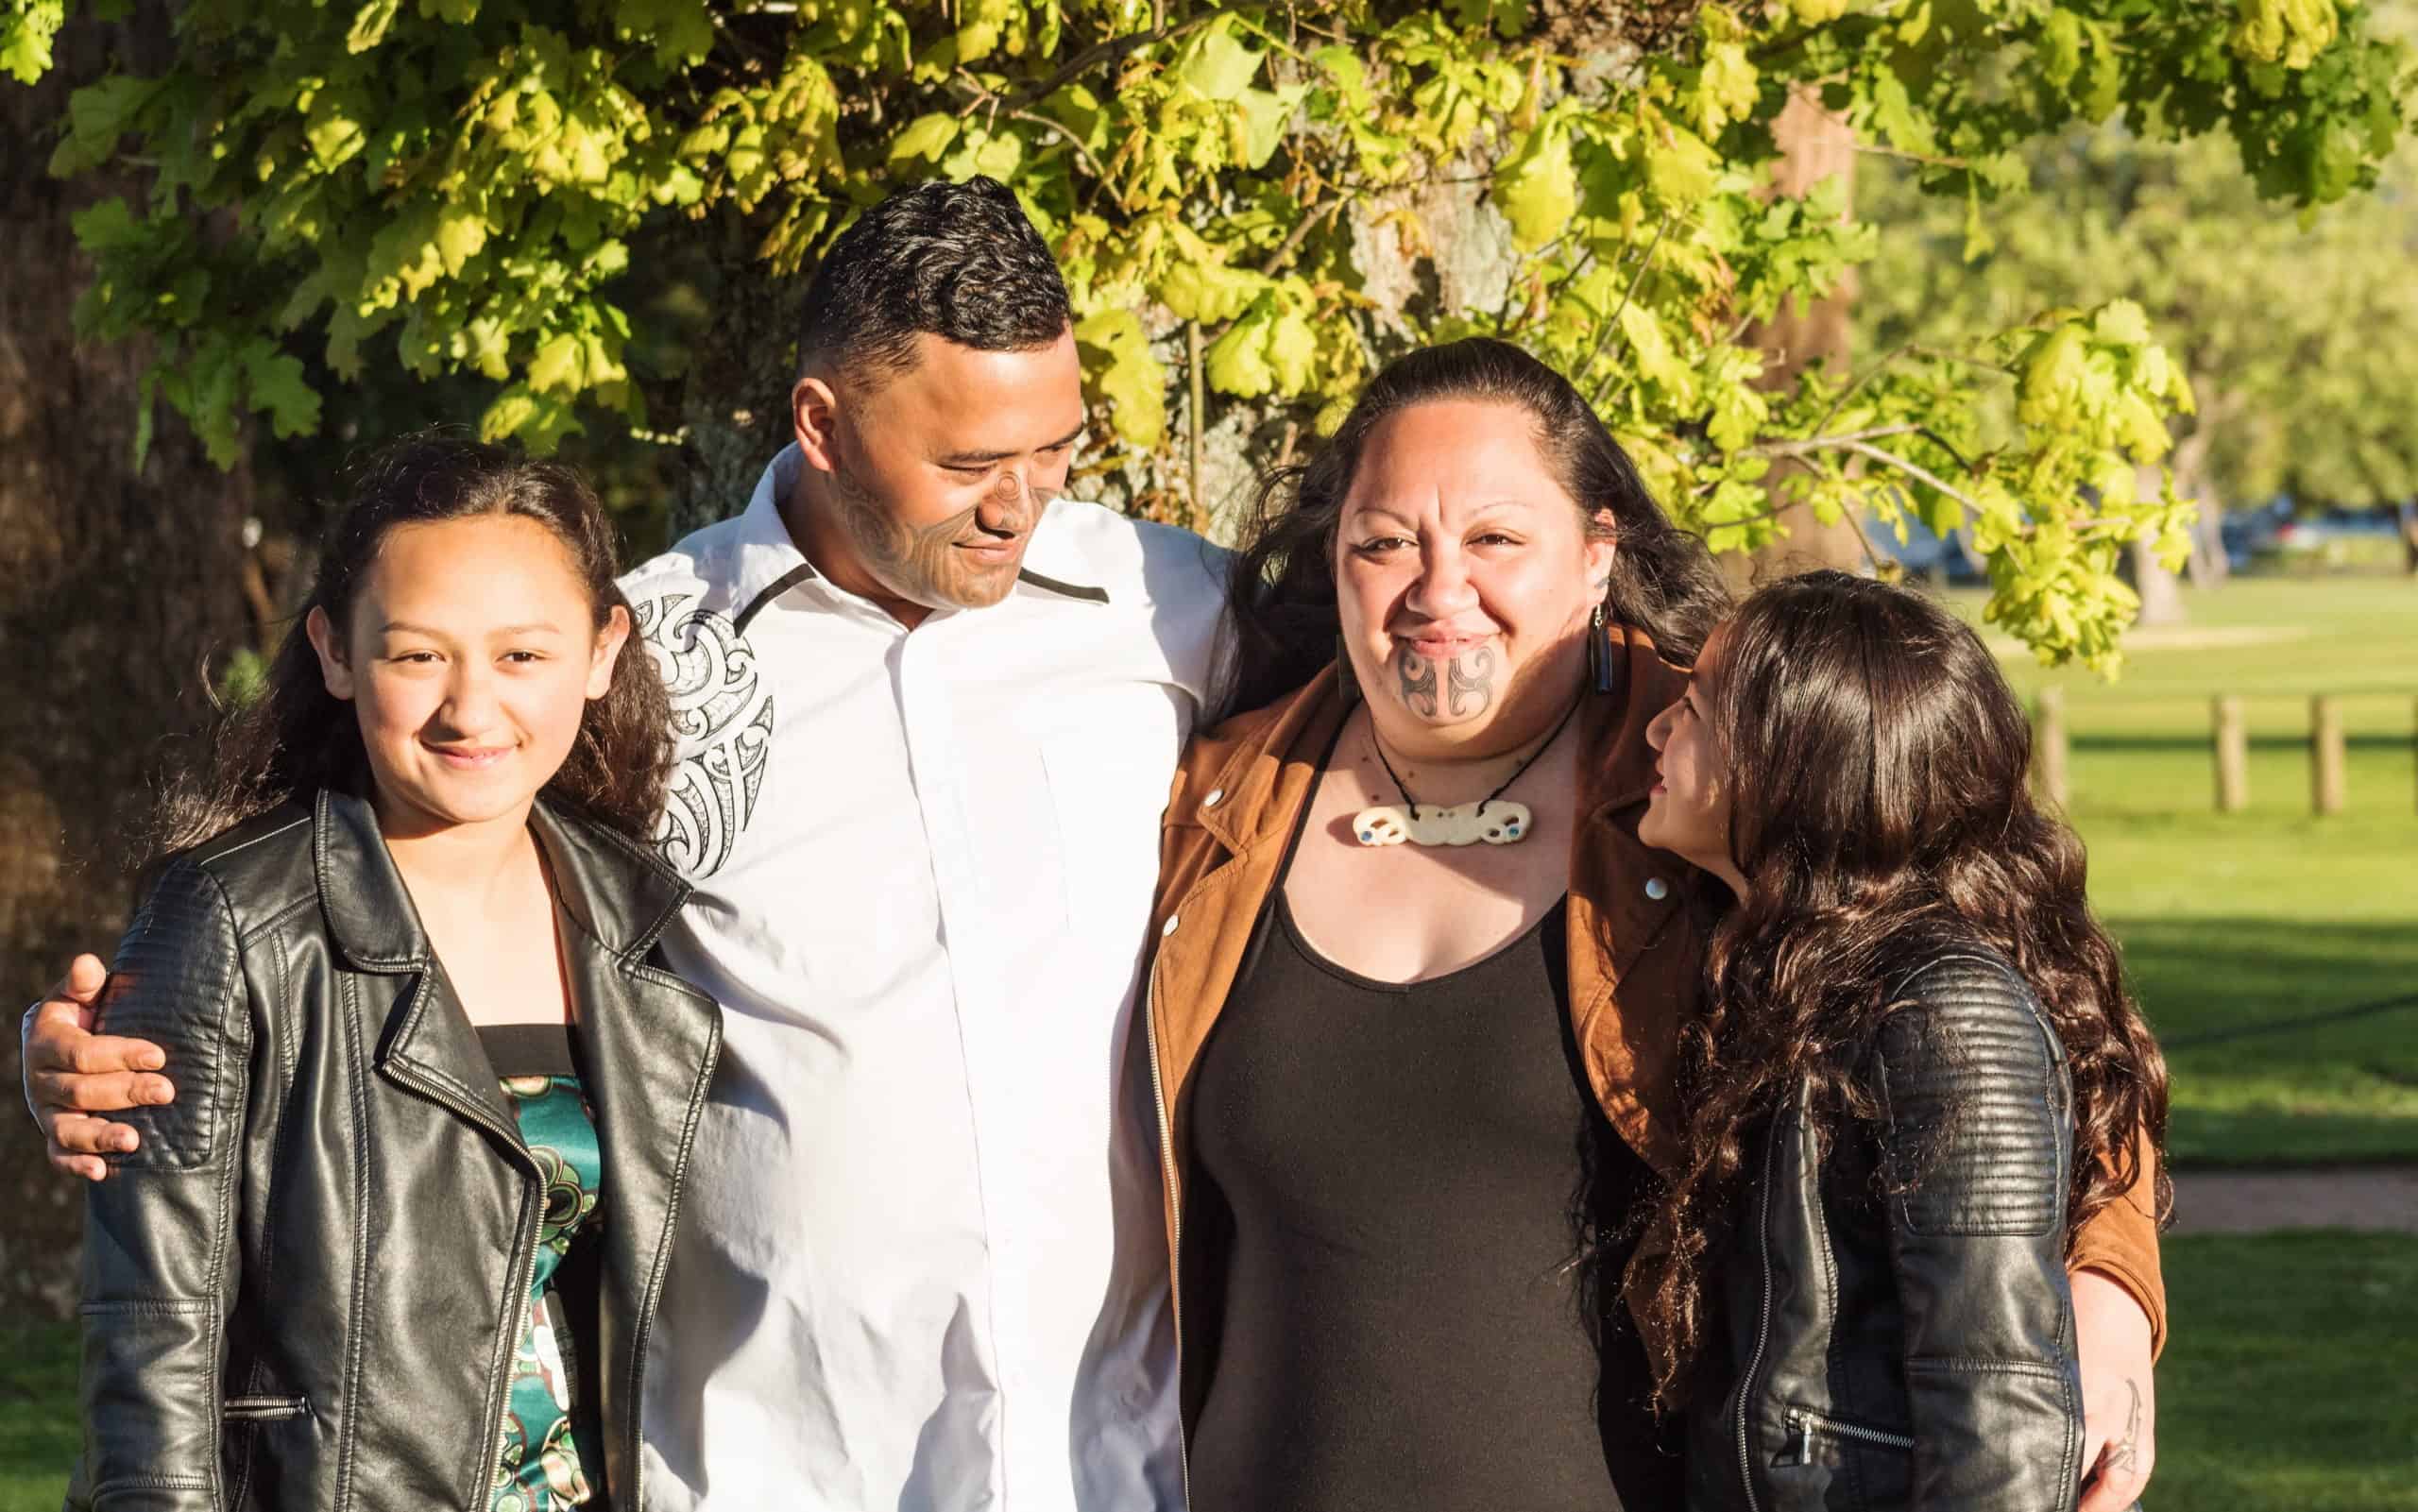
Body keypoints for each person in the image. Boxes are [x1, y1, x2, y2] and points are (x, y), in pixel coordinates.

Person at [22, 178, 1227, 1510]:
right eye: (963, 465)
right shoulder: (637, 651)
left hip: (1108, 1461)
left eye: (1054, 448)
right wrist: (117, 1051)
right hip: (767, 1468)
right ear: (821, 424)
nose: (1021, 502)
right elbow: (398, 884)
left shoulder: (1176, 611)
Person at [1141, 339, 2169, 1510]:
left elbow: (2017, 1011)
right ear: (1334, 563)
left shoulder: (1717, 772)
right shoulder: (1221, 794)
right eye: (1384, 542)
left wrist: (2108, 1295)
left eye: (1493, 539)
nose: (1436, 590)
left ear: (1595, 557)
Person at [61, 437, 720, 1510]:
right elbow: (150, 1336)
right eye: (417, 656)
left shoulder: (642, 914)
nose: (470, 708)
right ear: (333, 650)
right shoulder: (232, 917)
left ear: (603, 652)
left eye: (523, 656)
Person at [1634, 570, 2172, 1511]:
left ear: (1791, 761)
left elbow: (1999, 1395)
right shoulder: (1787, 965)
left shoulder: (1944, 1008)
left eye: (1689, 712)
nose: (1653, 731)